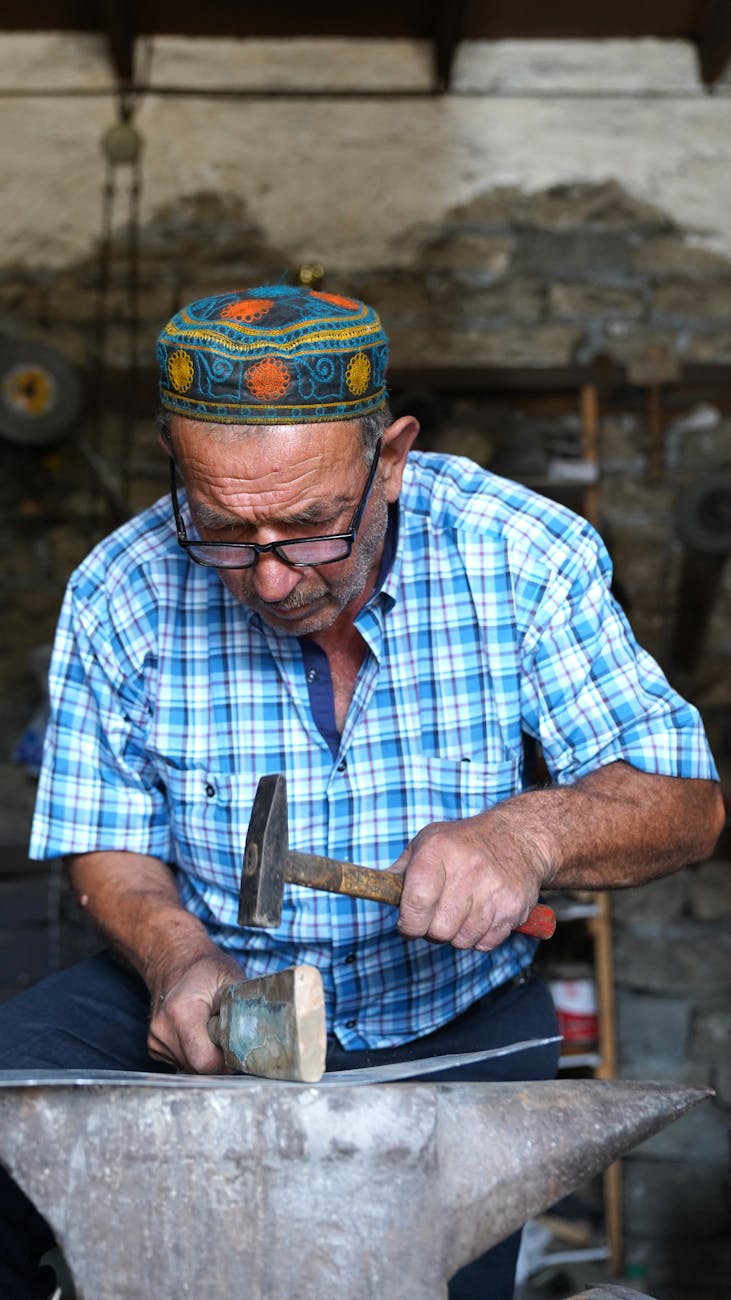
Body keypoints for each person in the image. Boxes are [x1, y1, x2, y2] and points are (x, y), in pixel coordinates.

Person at [0, 285, 723, 1300]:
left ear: (388, 459)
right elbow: (103, 838)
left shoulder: (516, 553)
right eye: (221, 531)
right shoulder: (118, 588)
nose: (271, 580)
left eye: (307, 528)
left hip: (443, 1017)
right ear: (176, 459)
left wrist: (526, 835)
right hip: (210, 993)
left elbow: (686, 801)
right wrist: (176, 956)